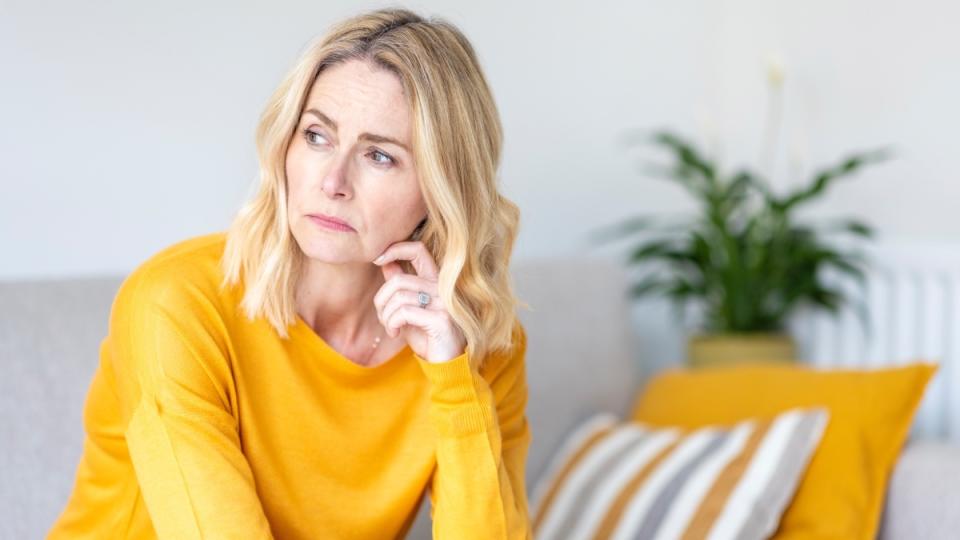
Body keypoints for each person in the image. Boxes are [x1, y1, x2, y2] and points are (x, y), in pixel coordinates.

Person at [47, 7, 531, 539]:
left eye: (380, 156)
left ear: (443, 190)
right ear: (285, 143)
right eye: (317, 136)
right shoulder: (177, 303)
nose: (333, 181)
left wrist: (454, 381)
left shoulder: (474, 345)